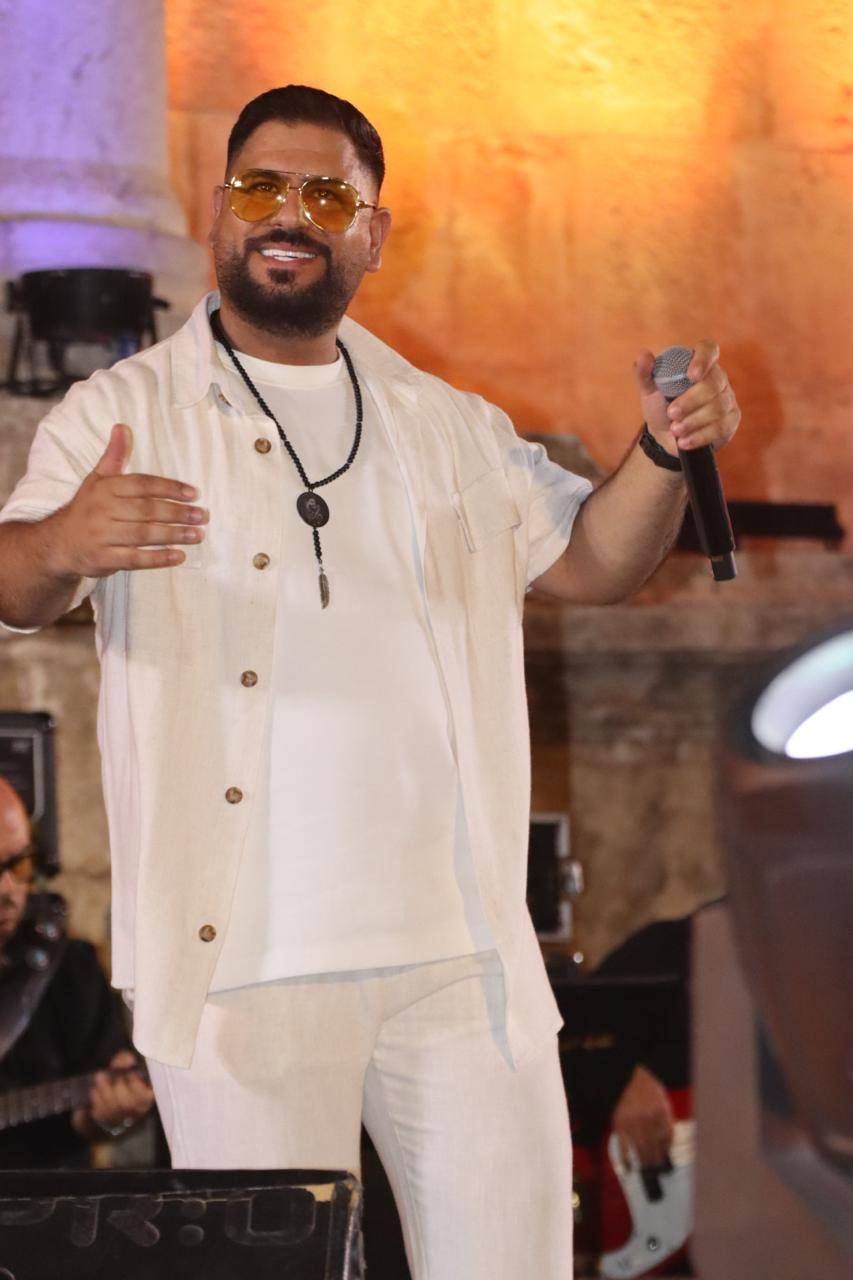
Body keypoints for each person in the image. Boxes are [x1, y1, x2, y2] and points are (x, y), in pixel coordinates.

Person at [0, 85, 740, 1277]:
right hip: (235, 970)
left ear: (373, 233)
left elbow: (595, 559)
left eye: (326, 194)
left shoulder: (445, 423)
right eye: (259, 187)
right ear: (217, 212)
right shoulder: (124, 411)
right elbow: (15, 584)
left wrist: (661, 449)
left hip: (461, 966)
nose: (287, 213)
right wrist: (63, 540)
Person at [0, 775, 153, 1167]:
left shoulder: (69, 967)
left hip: (48, 1195)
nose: (8, 890)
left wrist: (108, 1116)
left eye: (19, 863)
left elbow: (89, 1120)